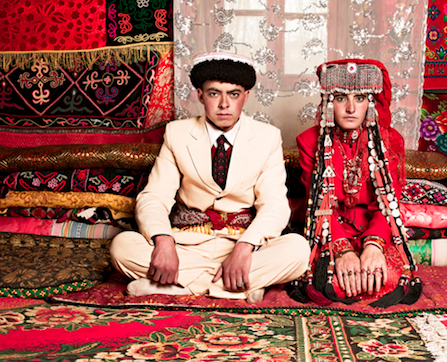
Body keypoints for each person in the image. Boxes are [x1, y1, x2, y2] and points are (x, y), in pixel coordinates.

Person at [110, 52, 310, 303]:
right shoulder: (177, 133)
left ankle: (180, 287)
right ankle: (239, 288)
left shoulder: (267, 136)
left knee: (298, 250)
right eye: (215, 93)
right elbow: (154, 197)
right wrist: (163, 242)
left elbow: (274, 205)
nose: (224, 104)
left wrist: (244, 248)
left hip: (242, 245)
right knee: (122, 247)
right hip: (187, 245)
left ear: (246, 96)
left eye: (233, 94)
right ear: (200, 95)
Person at [291, 58, 421, 308]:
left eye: (359, 98)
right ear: (329, 102)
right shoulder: (311, 142)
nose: (350, 108)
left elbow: (388, 204)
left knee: (386, 279)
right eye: (341, 98)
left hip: (374, 230)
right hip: (331, 232)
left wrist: (373, 246)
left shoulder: (388, 141)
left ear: (370, 103)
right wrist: (343, 250)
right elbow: (319, 207)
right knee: (332, 283)